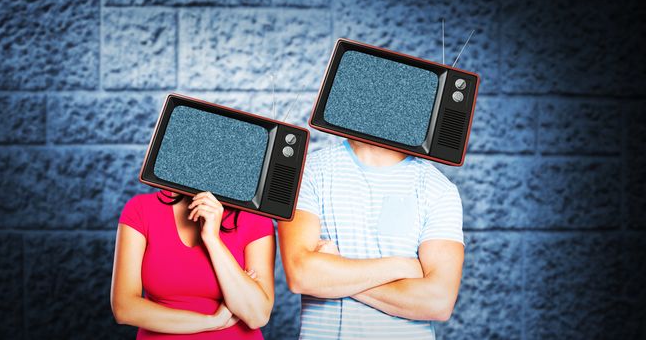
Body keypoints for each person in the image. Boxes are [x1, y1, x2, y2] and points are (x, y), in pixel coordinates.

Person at [278, 138, 465, 339]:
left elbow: (438, 302)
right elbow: (301, 275)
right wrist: (400, 267)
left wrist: (337, 272)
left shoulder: (439, 189)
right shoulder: (307, 172)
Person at [111, 189, 275, 339]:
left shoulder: (254, 218)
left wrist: (212, 239)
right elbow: (124, 308)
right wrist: (211, 322)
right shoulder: (142, 208)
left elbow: (257, 316)